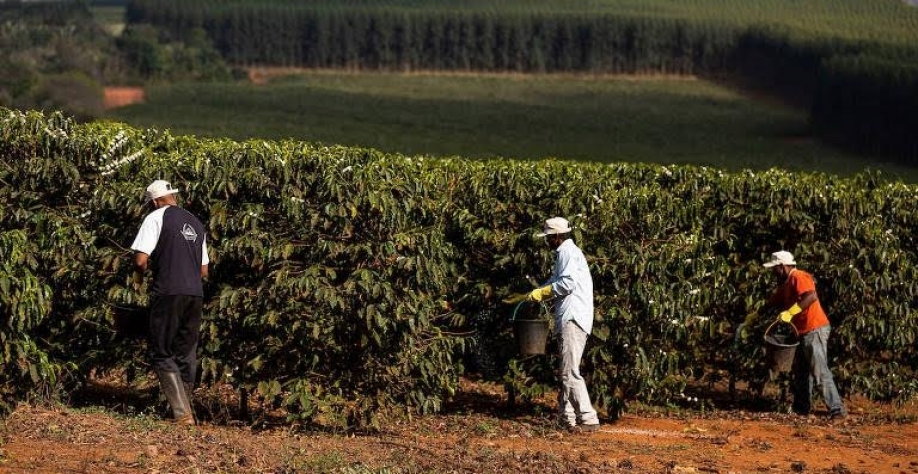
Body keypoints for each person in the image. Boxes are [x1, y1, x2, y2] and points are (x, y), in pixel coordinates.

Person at [506, 217, 600, 433]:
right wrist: (534, 293)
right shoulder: (566, 253)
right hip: (571, 318)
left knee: (569, 372)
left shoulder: (567, 252)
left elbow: (567, 284)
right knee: (566, 370)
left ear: (557, 237)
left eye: (548, 238)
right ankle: (566, 418)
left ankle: (588, 418)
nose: (546, 242)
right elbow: (555, 281)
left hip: (573, 318)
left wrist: (540, 293)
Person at [131, 179, 209, 425]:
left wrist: (140, 278)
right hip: (195, 293)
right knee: (186, 352)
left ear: (154, 201)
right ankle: (186, 412)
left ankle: (181, 414)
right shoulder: (196, 223)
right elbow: (204, 270)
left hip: (168, 290)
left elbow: (140, 260)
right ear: (172, 195)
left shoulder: (155, 217)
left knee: (161, 351)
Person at [763, 250, 846, 420]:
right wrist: (755, 315)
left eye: (775, 268)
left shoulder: (798, 276)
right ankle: (802, 408)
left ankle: (837, 409)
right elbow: (772, 302)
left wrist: (791, 312)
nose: (773, 272)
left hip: (814, 328)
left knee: (819, 369)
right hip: (802, 332)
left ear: (782, 266)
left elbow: (811, 296)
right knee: (801, 371)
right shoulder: (786, 284)